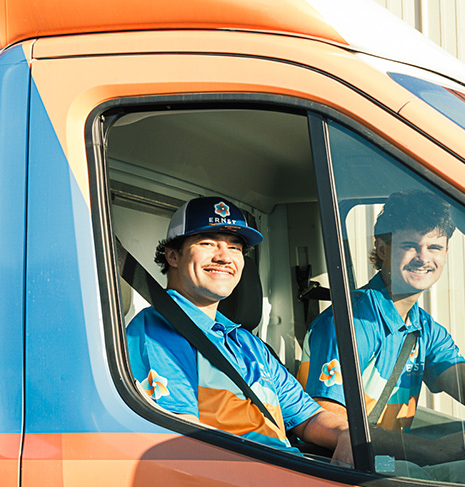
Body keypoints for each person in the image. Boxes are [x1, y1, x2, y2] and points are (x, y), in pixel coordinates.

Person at [127, 196, 351, 463]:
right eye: (208, 243)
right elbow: (185, 438)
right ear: (173, 256)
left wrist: (345, 434)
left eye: (235, 248)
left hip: (287, 476)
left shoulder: (248, 343)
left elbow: (307, 416)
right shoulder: (158, 331)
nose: (224, 257)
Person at [298, 190, 465, 468]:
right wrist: (432, 449)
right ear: (382, 250)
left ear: (445, 253)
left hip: (383, 463)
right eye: (410, 246)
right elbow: (331, 424)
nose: (423, 258)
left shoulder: (425, 329)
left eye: (434, 247)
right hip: (342, 470)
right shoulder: (353, 321)